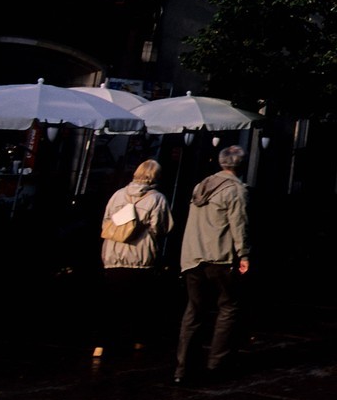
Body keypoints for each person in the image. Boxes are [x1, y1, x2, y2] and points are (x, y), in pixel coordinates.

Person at [175, 145, 251, 384]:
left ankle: (183, 369)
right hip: (220, 256)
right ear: (241, 165)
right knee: (229, 306)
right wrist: (245, 254)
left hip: (193, 256)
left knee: (194, 311)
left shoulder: (201, 185)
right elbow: (239, 224)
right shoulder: (236, 190)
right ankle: (217, 365)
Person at [95, 159, 172, 360]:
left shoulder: (118, 195)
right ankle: (137, 340)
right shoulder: (157, 199)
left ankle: (102, 344)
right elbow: (161, 228)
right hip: (141, 255)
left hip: (113, 253)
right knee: (139, 301)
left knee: (111, 301)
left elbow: (105, 221)